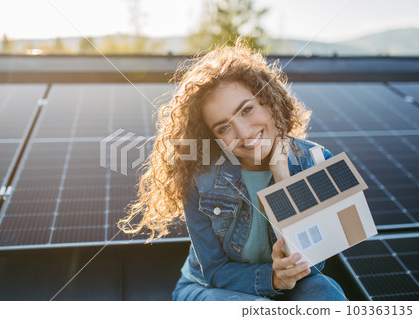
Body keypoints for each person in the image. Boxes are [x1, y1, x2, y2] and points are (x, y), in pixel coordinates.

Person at [119, 39, 347, 301]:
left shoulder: (317, 162)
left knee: (324, 290)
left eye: (247, 110)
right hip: (209, 290)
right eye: (223, 127)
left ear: (268, 102)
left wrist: (283, 178)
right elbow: (214, 270)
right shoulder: (200, 180)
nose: (243, 133)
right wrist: (271, 278)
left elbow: (313, 265)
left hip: (288, 287)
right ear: (213, 137)